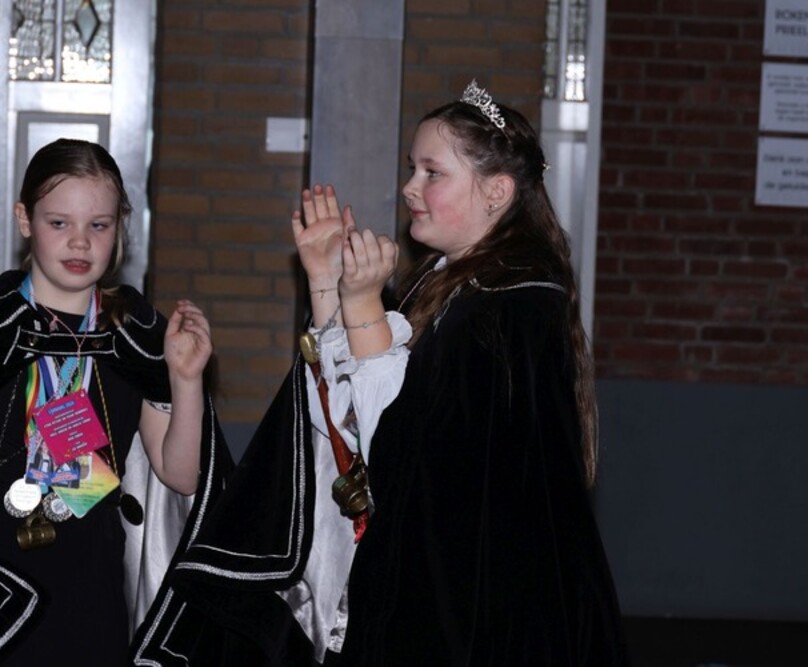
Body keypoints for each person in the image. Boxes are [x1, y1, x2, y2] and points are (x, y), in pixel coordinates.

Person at [142, 79, 629, 665]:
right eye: (411, 169)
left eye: (432, 173)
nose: (409, 188)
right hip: (431, 578)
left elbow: (400, 450)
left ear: (497, 192)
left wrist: (363, 304)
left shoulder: (512, 308)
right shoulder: (451, 283)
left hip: (480, 605)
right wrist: (328, 282)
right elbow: (349, 420)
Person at [0, 138, 234, 665]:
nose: (80, 242)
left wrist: (187, 380)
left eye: (98, 225)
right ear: (25, 220)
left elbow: (182, 475)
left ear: (120, 227)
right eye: (59, 223)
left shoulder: (138, 334)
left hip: (92, 584)